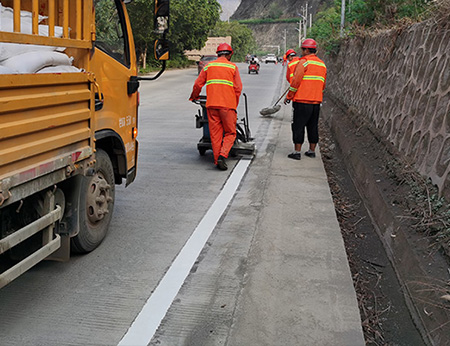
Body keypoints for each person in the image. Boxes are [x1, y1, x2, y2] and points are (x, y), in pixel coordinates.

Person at [189, 43, 243, 170]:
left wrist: (194, 96)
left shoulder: (209, 67)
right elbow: (238, 88)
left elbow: (197, 85)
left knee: (215, 134)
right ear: (230, 54)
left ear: (217, 54)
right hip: (227, 106)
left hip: (212, 105)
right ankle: (223, 156)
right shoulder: (233, 67)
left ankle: (216, 159)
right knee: (230, 133)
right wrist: (234, 104)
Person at [284, 39, 327, 160]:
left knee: (298, 126)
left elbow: (295, 81)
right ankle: (311, 151)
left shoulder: (304, 62)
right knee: (313, 126)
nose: (301, 51)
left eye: (302, 49)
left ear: (307, 50)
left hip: (302, 101)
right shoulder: (322, 64)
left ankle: (297, 152)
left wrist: (289, 96)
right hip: (316, 102)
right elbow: (322, 85)